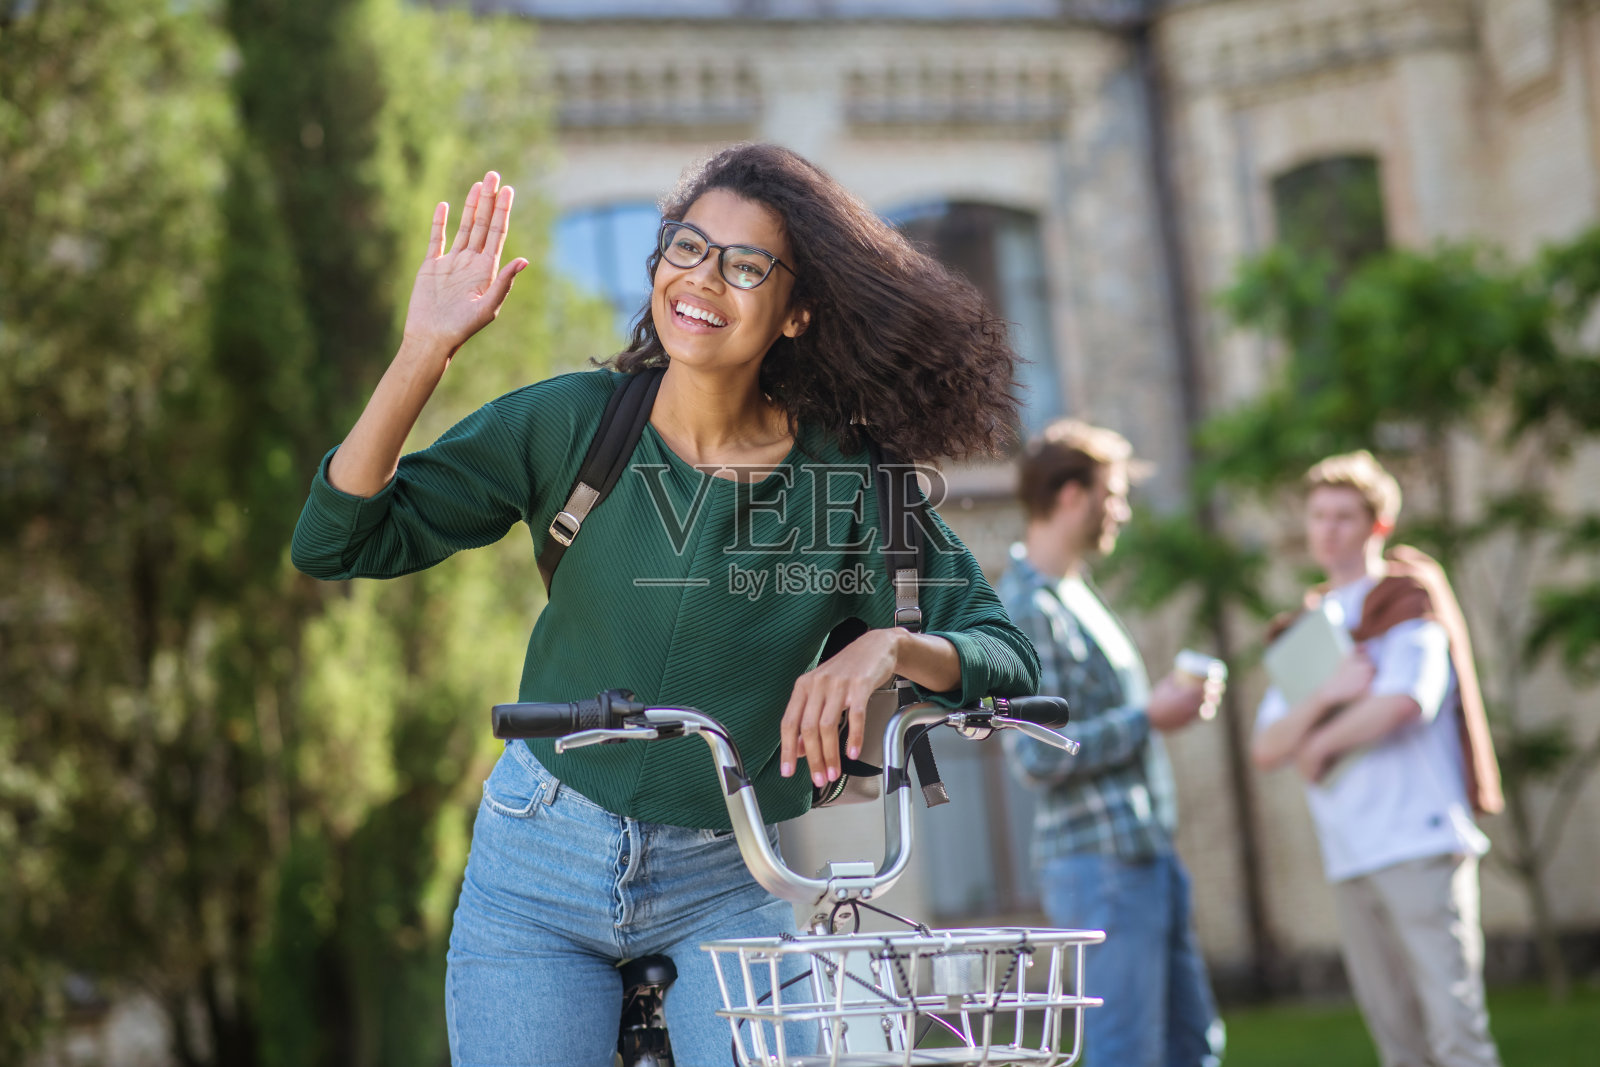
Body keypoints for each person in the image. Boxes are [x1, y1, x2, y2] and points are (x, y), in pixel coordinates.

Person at [289, 143, 1041, 1066]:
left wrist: (888, 644)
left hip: (727, 876)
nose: (703, 279)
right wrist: (423, 351)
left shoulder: (850, 481)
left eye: (746, 264)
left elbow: (1005, 652)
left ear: (797, 310)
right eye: (687, 247)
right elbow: (338, 538)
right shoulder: (575, 424)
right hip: (538, 865)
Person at [1251, 450, 1503, 1067]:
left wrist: (1319, 742)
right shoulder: (1308, 629)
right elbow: (1265, 746)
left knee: (1455, 1033)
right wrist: (1328, 699)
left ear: (1377, 526)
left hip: (1418, 844)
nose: (1329, 528)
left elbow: (1403, 703)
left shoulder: (1405, 604)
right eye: (1318, 516)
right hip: (1350, 852)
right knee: (1399, 1043)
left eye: (1344, 515)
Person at [997, 419, 1226, 1067]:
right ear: (1071, 495)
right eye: (1113, 494)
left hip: (1146, 853)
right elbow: (1037, 752)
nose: (1120, 510)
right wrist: (1149, 716)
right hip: (1100, 868)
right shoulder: (1025, 609)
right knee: (1127, 1052)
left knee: (1193, 1047)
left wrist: (1159, 709)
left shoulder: (1077, 594)